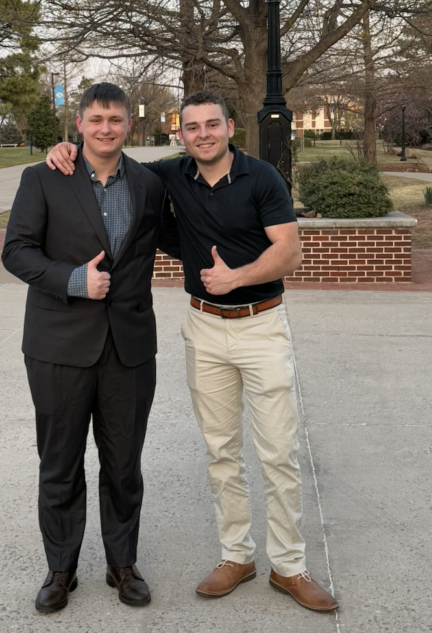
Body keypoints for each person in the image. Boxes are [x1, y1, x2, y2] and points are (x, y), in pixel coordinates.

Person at [46, 90, 339, 613]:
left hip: (261, 325)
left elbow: (290, 251)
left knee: (277, 451)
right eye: (192, 127)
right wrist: (64, 149)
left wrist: (237, 278)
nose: (203, 134)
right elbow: (110, 159)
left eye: (212, 125)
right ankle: (236, 556)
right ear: (180, 134)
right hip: (203, 329)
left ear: (231, 129)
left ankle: (290, 566)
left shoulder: (262, 178)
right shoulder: (168, 175)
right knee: (221, 450)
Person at [2, 82, 178, 614]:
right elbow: (16, 251)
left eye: (116, 119)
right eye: (96, 118)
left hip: (129, 348)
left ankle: (122, 564)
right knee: (59, 462)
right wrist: (73, 280)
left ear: (130, 125)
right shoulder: (44, 178)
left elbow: (178, 232)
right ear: (79, 123)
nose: (106, 128)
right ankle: (61, 568)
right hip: (58, 345)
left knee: (124, 464)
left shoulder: (149, 183)